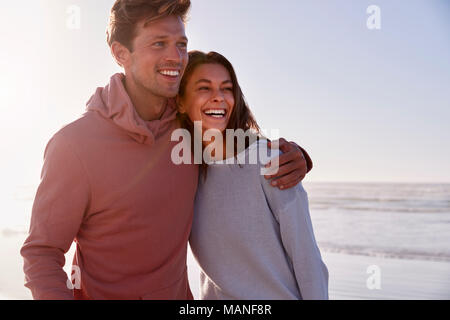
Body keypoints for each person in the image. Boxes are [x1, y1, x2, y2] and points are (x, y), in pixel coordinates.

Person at [20, 0, 312, 300]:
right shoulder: (73, 146)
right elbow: (42, 252)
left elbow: (240, 146)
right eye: (159, 44)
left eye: (181, 44)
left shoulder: (187, 122)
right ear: (121, 54)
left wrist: (297, 156)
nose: (176, 57)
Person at [177, 51, 329, 300]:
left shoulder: (269, 160)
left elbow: (307, 257)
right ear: (181, 102)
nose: (219, 97)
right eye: (204, 88)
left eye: (226, 89)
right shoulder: (185, 173)